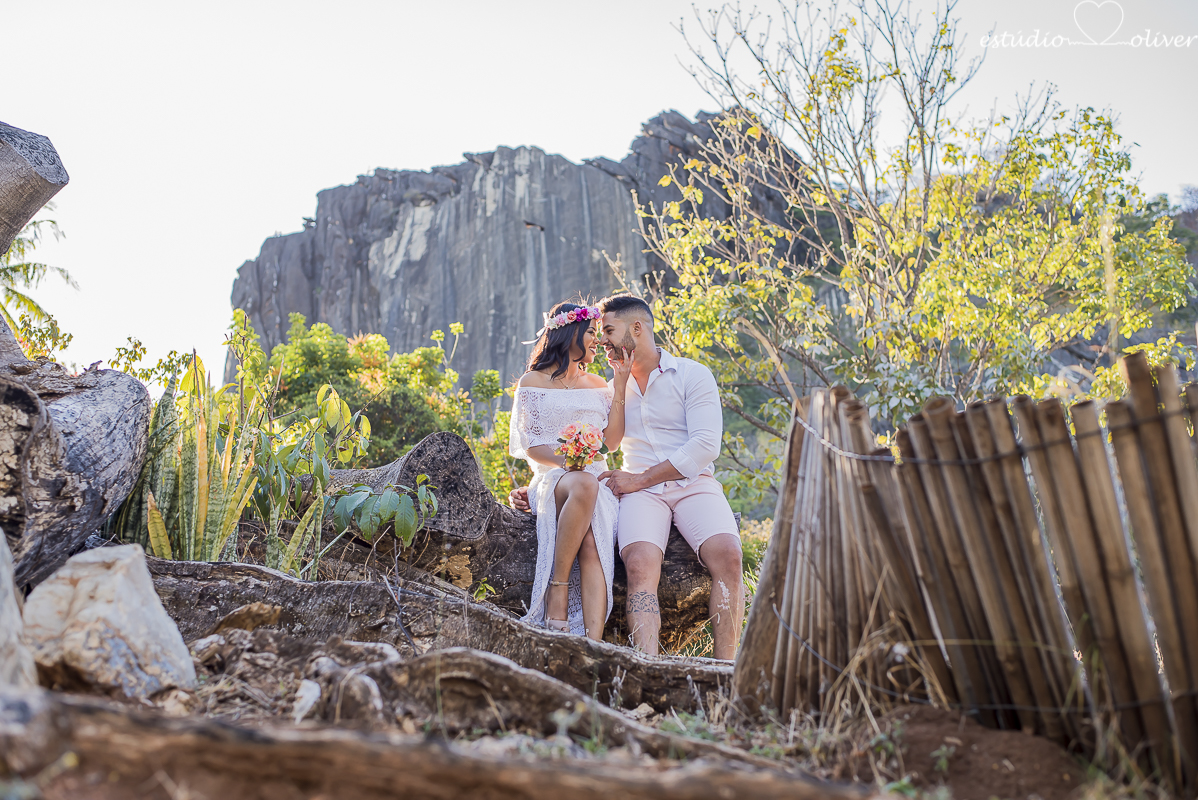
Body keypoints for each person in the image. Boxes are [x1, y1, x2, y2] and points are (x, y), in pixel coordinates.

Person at [511, 294, 744, 660]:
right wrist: (544, 482)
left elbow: (705, 446)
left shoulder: (692, 374)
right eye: (595, 332)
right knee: (638, 566)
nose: (601, 340)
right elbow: (570, 444)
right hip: (637, 493)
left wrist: (639, 478)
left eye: (607, 330)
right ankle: (646, 664)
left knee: (730, 556)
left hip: (692, 483)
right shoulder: (610, 386)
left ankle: (727, 668)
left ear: (636, 329)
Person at [508, 300, 631, 640]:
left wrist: (619, 385)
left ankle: (593, 642)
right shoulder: (533, 381)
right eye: (592, 333)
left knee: (592, 541)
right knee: (584, 484)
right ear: (570, 333)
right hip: (553, 477)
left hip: (592, 476)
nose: (598, 341)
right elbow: (532, 445)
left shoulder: (598, 385)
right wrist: (570, 462)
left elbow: (611, 442)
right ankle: (557, 591)